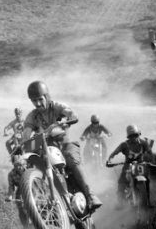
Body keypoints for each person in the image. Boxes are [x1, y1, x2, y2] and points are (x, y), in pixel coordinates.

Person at [21, 81, 102, 211]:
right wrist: (23, 142)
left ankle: (90, 195)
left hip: (65, 145)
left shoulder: (57, 106)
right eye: (34, 101)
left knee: (71, 158)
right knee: (34, 165)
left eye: (40, 99)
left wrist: (69, 118)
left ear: (46, 96)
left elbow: (70, 113)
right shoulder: (32, 116)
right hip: (47, 150)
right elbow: (26, 132)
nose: (38, 104)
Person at [106, 125, 153, 209]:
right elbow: (114, 153)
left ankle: (148, 201)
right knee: (121, 182)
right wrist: (109, 160)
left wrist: (151, 160)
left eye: (135, 135)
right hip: (128, 165)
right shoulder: (124, 145)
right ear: (128, 137)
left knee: (147, 180)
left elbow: (150, 153)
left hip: (141, 165)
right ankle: (120, 202)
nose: (134, 138)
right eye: (131, 136)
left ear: (138, 134)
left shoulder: (143, 143)